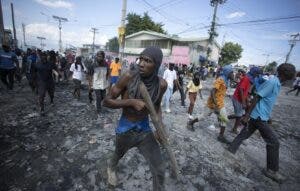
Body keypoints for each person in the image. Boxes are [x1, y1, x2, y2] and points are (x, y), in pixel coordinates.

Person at [103, 46, 167, 190]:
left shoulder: (161, 85)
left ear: (156, 65)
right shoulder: (128, 77)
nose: (141, 63)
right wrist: (130, 102)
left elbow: (156, 108)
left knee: (159, 169)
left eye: (148, 61)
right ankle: (111, 168)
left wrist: (160, 128)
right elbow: (106, 101)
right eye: (141, 59)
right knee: (118, 153)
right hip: (126, 127)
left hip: (144, 130)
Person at [228, 63, 296, 183]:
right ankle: (271, 170)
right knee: (274, 142)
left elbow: (266, 100)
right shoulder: (273, 82)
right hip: (258, 117)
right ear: (286, 74)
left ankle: (230, 150)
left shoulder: (277, 83)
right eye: (291, 74)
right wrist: (247, 115)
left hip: (260, 116)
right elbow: (257, 97)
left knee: (244, 134)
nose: (292, 77)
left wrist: (268, 116)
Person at [187, 65, 234, 144]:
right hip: (214, 103)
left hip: (219, 104)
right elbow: (212, 91)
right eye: (232, 72)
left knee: (223, 119)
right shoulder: (220, 80)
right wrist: (215, 103)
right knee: (203, 116)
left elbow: (221, 91)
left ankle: (221, 136)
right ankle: (191, 123)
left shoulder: (226, 80)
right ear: (227, 72)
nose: (233, 74)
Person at [32, 51, 57, 116]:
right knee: (41, 95)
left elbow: (55, 70)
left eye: (45, 57)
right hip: (41, 82)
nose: (44, 58)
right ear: (40, 57)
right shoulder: (37, 64)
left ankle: (51, 100)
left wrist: (58, 75)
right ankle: (42, 109)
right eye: (42, 57)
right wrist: (34, 82)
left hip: (50, 81)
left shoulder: (51, 63)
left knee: (51, 93)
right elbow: (34, 73)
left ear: (47, 57)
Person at [228, 69, 251, 134]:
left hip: (239, 98)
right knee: (239, 115)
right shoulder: (246, 79)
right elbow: (241, 89)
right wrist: (244, 102)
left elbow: (245, 91)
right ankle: (233, 128)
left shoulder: (246, 79)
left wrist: (246, 100)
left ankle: (225, 119)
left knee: (239, 115)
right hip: (237, 99)